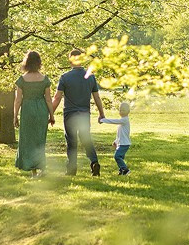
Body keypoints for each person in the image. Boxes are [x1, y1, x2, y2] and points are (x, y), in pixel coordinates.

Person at [50, 48, 105, 176]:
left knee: (71, 141)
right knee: (86, 139)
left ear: (70, 60)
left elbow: (57, 97)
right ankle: (94, 162)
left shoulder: (65, 77)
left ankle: (71, 169)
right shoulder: (90, 76)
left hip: (70, 114)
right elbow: (96, 97)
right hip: (84, 114)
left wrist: (50, 114)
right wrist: (101, 113)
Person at [13, 50, 53, 176]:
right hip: (41, 110)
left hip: (27, 110)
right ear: (39, 63)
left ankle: (34, 171)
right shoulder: (44, 79)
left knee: (28, 139)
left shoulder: (22, 80)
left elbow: (18, 100)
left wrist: (15, 116)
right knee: (40, 139)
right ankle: (42, 168)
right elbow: (48, 99)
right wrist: (51, 115)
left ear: (27, 63)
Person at [99, 101, 132, 175]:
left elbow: (114, 121)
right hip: (121, 143)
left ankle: (125, 170)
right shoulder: (122, 121)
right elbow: (120, 134)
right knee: (120, 158)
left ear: (128, 111)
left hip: (124, 144)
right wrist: (116, 141)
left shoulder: (125, 120)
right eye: (120, 110)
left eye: (123, 110)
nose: (121, 112)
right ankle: (121, 171)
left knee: (117, 156)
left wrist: (103, 120)